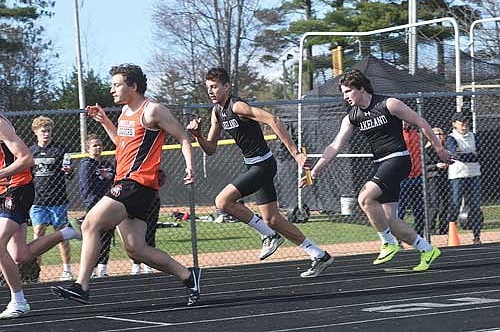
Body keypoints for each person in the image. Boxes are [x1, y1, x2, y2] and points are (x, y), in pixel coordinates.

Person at [50, 64, 200, 306]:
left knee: (90, 224)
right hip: (128, 184)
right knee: (136, 249)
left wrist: (189, 166)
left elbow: (183, 137)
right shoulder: (124, 113)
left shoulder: (153, 110)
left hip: (137, 184)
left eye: (116, 85)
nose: (112, 90)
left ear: (133, 86)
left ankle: (81, 286)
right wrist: (105, 121)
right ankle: (188, 275)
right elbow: (122, 145)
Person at [187, 67, 334, 278]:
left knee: (222, 202)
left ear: (226, 87)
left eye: (215, 87)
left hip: (263, 165)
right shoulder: (216, 112)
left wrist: (296, 154)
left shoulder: (237, 106)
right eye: (208, 88)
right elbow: (210, 149)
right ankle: (319, 255)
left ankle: (269, 236)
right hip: (253, 165)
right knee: (272, 219)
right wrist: (197, 136)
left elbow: (273, 120)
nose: (210, 91)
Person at [304, 69, 452, 271]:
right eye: (343, 93)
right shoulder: (352, 117)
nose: (345, 96)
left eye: (348, 91)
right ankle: (427, 249)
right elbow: (335, 145)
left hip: (398, 159)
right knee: (388, 219)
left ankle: (388, 242)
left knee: (364, 198)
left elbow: (420, 122)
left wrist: (439, 148)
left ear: (361, 88)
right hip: (380, 162)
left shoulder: (388, 104)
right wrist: (315, 171)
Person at [0, 115, 81, 319]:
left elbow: (26, 159)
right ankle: (69, 232)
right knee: (20, 255)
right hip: (2, 189)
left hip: (17, 187)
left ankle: (18, 301)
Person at [29, 116, 75, 281]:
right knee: (38, 233)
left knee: (62, 234)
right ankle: (35, 272)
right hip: (37, 200)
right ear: (36, 132)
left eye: (49, 131)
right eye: (43, 131)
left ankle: (67, 270)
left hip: (58, 199)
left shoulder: (60, 149)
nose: (46, 134)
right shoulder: (30, 151)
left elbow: (69, 173)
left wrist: (69, 171)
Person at [78, 134, 115, 278]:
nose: (98, 148)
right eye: (94, 145)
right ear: (88, 148)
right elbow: (86, 188)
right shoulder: (86, 164)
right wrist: (93, 204)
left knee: (107, 236)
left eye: (99, 145)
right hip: (95, 206)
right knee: (93, 237)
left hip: (109, 205)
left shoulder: (107, 164)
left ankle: (103, 269)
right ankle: (91, 269)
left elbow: (114, 181)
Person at [445, 112, 482, 244]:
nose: (464, 125)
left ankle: (477, 236)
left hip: (474, 174)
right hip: (458, 175)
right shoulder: (451, 138)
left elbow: (481, 154)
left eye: (466, 122)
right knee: (455, 203)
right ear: (454, 124)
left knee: (475, 205)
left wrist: (469, 155)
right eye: (461, 122)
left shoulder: (474, 136)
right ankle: (451, 232)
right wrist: (471, 155)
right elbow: (456, 155)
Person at [130, 169, 165, 275]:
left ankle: (148, 264)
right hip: (135, 200)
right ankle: (136, 264)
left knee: (150, 232)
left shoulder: (154, 168)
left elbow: (162, 178)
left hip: (152, 200)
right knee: (135, 234)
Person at [397, 121, 425, 236]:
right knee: (400, 210)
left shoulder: (416, 135)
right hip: (402, 178)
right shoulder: (397, 134)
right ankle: (398, 237)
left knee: (419, 210)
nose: (405, 122)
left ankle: (419, 235)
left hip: (416, 176)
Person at [425, 127, 449, 235]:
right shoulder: (426, 150)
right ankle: (430, 229)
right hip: (432, 178)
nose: (438, 136)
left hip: (444, 177)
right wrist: (436, 165)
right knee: (434, 205)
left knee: (445, 204)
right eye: (435, 134)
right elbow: (423, 167)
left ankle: (443, 229)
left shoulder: (445, 149)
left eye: (440, 134)